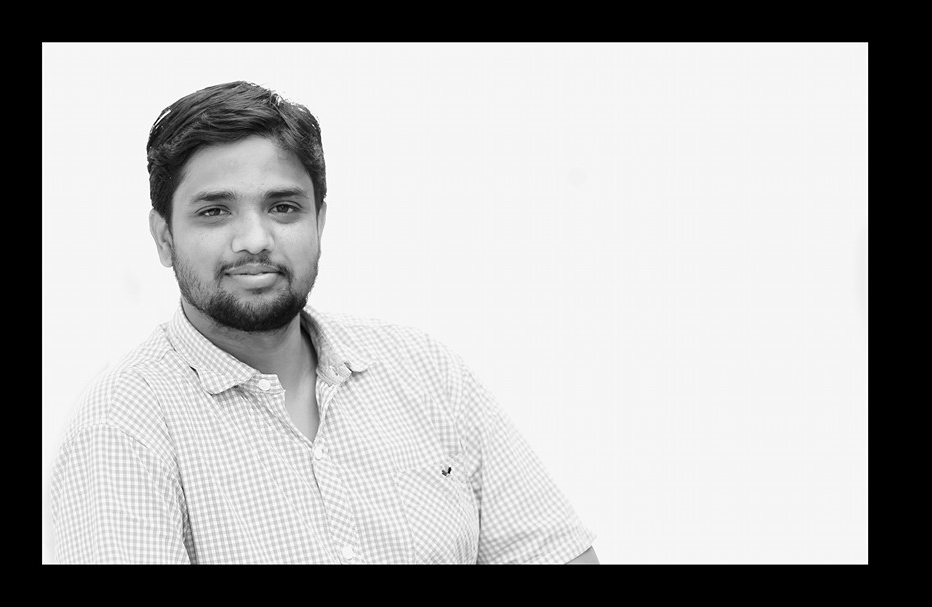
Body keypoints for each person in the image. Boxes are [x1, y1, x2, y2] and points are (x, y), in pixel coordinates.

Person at [50, 80, 598, 564]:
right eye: (215, 211)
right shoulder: (123, 428)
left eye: (283, 207)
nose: (255, 240)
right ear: (164, 237)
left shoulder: (425, 372)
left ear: (320, 222)